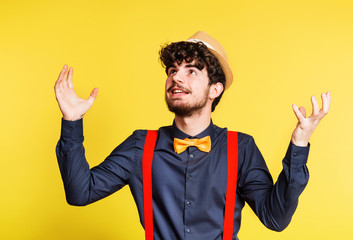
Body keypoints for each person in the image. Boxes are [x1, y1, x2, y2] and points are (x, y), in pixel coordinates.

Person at [54, 31, 331, 240]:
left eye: (191, 71)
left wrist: (299, 144)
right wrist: (72, 121)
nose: (176, 78)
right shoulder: (141, 146)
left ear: (215, 90)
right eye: (172, 70)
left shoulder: (241, 148)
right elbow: (81, 193)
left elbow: (275, 218)